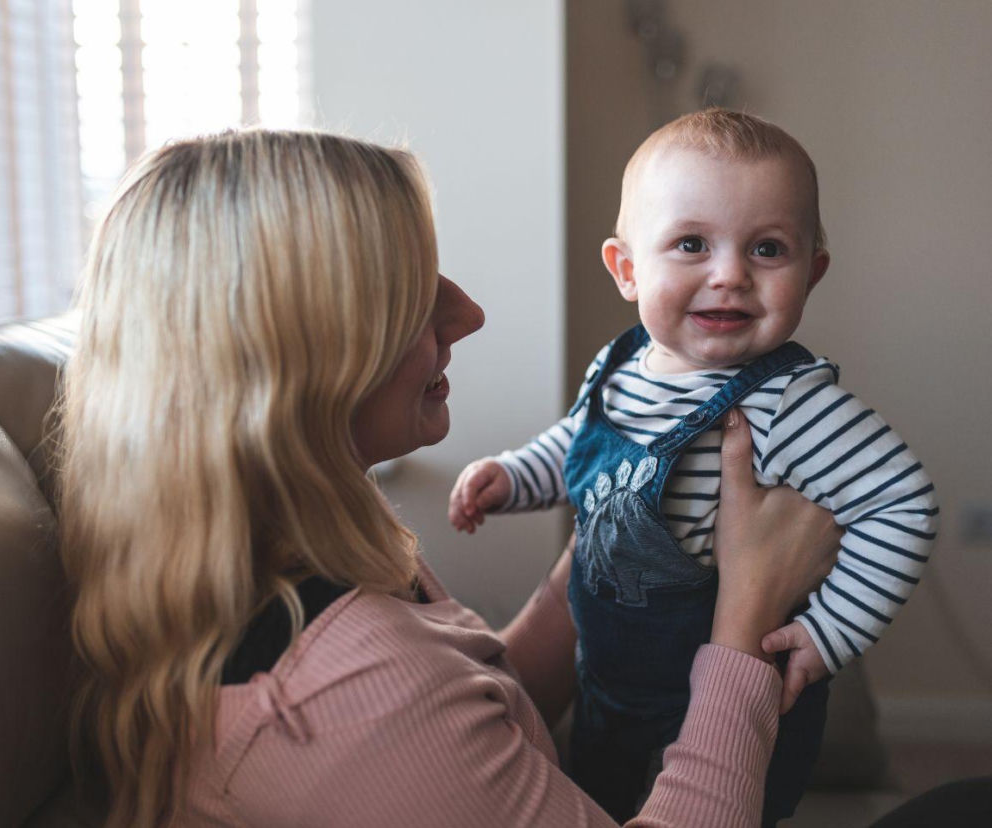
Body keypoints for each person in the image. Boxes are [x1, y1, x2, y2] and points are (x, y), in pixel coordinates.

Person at [58, 127, 840, 828]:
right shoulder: (336, 696)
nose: (467, 313)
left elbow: (469, 731)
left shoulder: (297, 552)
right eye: (412, 291)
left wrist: (617, 528)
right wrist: (748, 613)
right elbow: (409, 716)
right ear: (300, 352)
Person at [448, 108, 939, 824]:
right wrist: (513, 476)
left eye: (768, 250)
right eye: (690, 244)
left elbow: (905, 502)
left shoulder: (790, 403)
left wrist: (830, 631)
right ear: (626, 269)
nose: (730, 275)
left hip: (726, 697)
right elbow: (576, 448)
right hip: (608, 684)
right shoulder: (619, 368)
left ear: (813, 271)